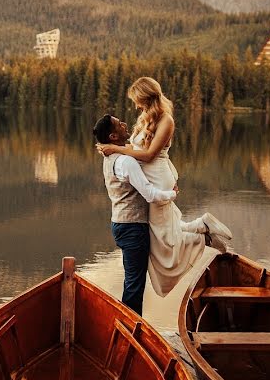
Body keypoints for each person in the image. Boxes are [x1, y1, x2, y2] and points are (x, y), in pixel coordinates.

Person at [96, 77, 232, 298]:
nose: (136, 106)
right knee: (162, 233)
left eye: (137, 100)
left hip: (158, 178)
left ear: (146, 97)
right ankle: (201, 227)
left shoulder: (166, 120)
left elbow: (149, 155)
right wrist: (115, 149)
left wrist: (116, 149)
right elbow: (137, 149)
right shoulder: (145, 118)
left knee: (165, 240)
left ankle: (203, 236)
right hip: (147, 179)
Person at [93, 114, 217, 314]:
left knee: (136, 278)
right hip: (133, 227)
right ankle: (131, 328)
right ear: (113, 136)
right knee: (135, 283)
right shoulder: (126, 162)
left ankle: (203, 234)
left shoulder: (113, 157)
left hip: (122, 224)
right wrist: (172, 194)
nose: (125, 124)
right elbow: (150, 194)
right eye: (119, 124)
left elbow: (142, 153)